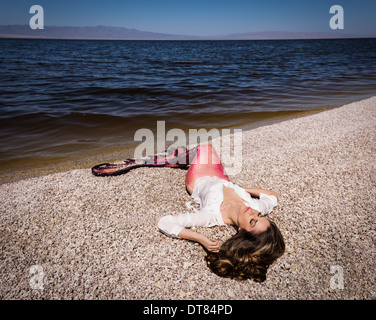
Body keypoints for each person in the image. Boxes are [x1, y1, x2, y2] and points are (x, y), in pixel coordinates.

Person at [157, 144, 285, 282]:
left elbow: (164, 223)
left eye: (252, 221)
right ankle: (180, 153)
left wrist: (200, 238)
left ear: (241, 231)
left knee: (205, 148)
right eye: (259, 215)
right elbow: (273, 196)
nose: (254, 213)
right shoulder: (255, 206)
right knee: (207, 149)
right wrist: (240, 189)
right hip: (222, 178)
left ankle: (172, 158)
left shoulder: (211, 216)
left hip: (198, 179)